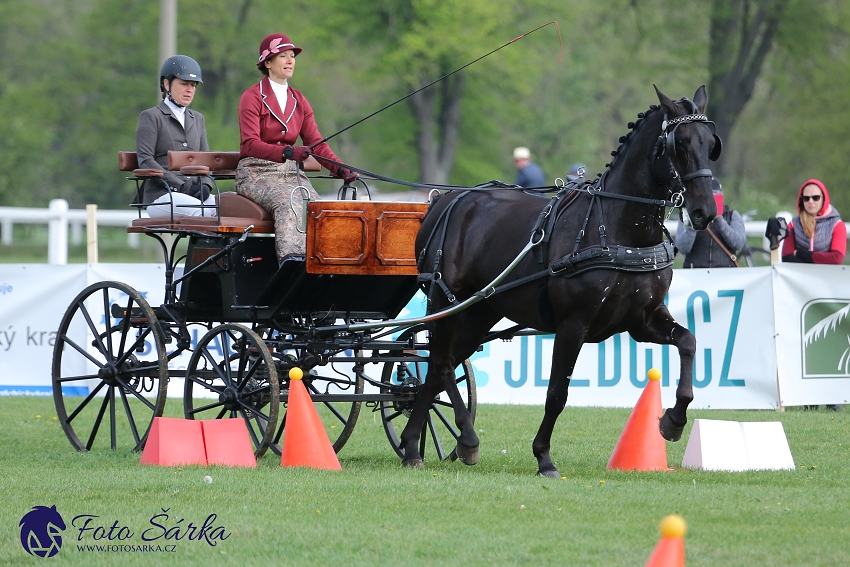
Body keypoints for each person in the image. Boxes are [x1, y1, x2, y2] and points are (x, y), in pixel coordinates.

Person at [236, 33, 357, 262]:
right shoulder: (251, 97)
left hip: (291, 175)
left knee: (320, 208)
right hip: (255, 173)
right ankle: (292, 263)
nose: (290, 60)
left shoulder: (299, 100)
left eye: (292, 56)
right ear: (267, 63)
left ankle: (326, 261)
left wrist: (340, 169)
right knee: (289, 202)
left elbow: (316, 144)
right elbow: (250, 144)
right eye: (283, 56)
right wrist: (287, 152)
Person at [135, 55, 216, 217]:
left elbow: (206, 159)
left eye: (193, 85)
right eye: (184, 84)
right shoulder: (151, 117)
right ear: (166, 84)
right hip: (160, 196)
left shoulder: (198, 118)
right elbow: (145, 160)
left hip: (192, 194)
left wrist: (206, 185)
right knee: (204, 213)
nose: (190, 90)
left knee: (231, 207)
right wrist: (182, 185)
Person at [676, 178, 747, 268]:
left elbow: (738, 244)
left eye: (714, 197)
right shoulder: (688, 215)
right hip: (695, 273)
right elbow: (682, 248)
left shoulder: (732, 215)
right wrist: (693, 224)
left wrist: (719, 219)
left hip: (726, 273)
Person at [782, 179, 846, 265]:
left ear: (824, 198)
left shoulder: (837, 224)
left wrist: (801, 254)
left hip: (827, 277)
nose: (810, 201)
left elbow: (836, 258)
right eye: (806, 198)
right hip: (799, 277)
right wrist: (820, 260)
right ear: (802, 200)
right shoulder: (793, 224)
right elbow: (786, 257)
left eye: (816, 198)